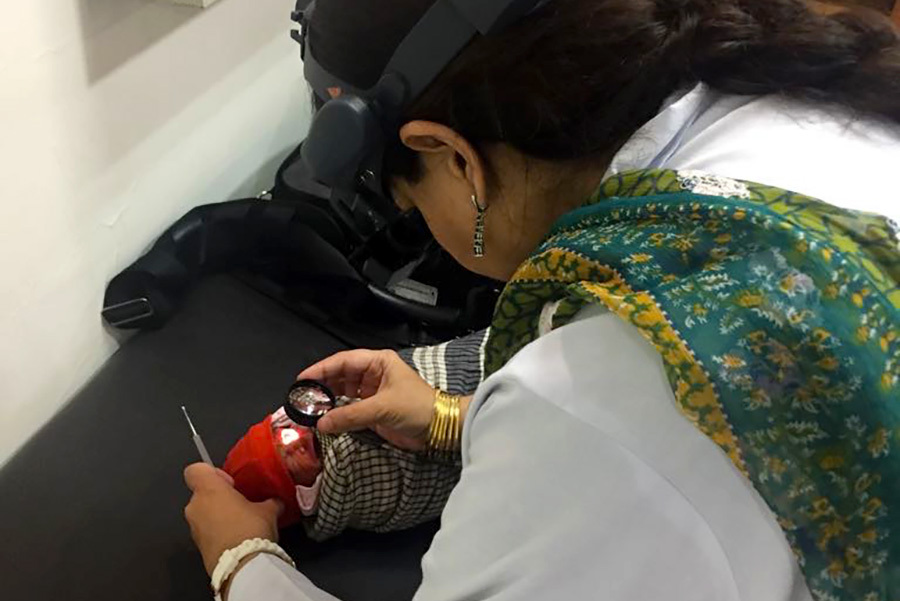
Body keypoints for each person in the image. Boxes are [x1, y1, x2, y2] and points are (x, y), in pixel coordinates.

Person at [183, 0, 900, 599]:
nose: (423, 227)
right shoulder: (799, 96)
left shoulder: (593, 397)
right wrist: (453, 420)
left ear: (454, 157)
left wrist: (242, 563)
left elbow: (638, 439)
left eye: (413, 202)